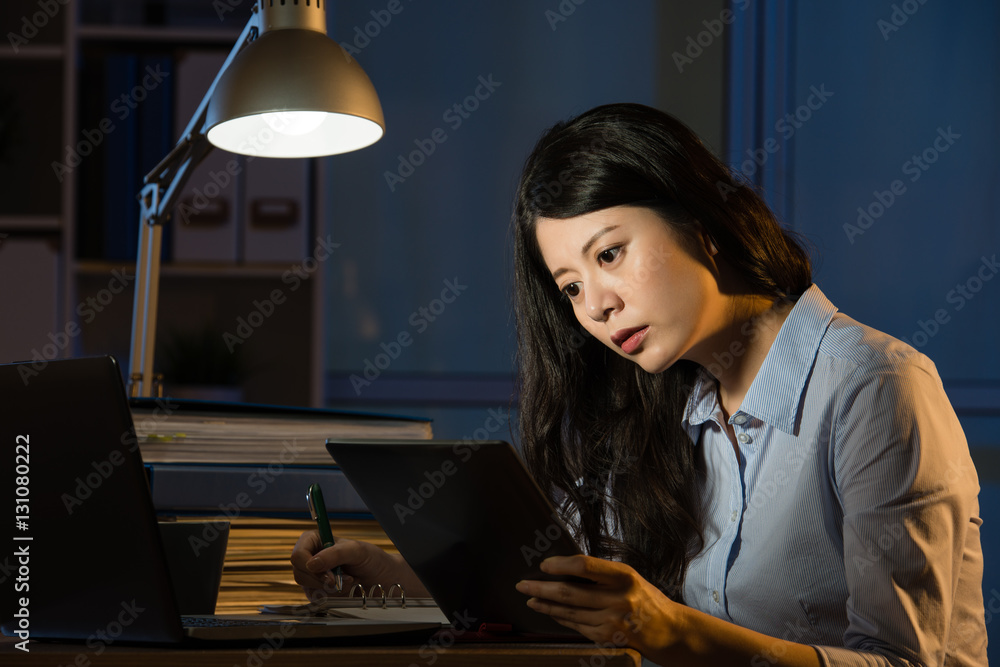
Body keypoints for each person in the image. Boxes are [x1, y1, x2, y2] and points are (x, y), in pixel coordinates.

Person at [291, 103, 987, 666]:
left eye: (611, 253)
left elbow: (901, 664)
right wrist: (385, 576)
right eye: (570, 286)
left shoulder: (873, 387)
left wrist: (668, 630)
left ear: (702, 222)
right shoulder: (667, 404)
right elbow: (567, 596)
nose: (595, 305)